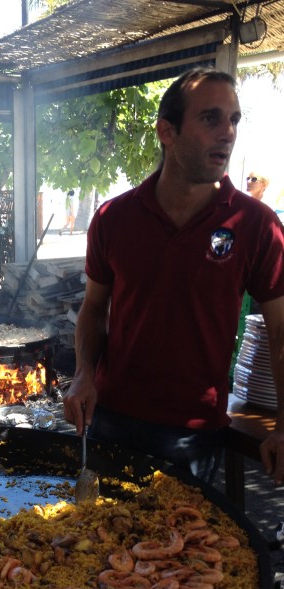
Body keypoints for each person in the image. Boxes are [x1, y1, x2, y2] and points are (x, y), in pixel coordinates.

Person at [63, 68, 284, 486]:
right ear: (167, 131)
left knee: (178, 530)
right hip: (111, 417)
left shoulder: (256, 224)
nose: (227, 133)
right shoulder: (114, 217)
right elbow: (93, 308)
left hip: (194, 432)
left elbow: (280, 330)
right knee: (96, 526)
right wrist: (84, 373)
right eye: (210, 118)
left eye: (234, 120)